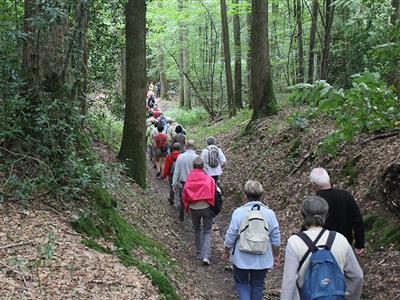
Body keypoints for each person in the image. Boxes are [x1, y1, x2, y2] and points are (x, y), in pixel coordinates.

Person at [281, 195, 363, 300]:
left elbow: (289, 281)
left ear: (303, 215)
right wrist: (350, 296)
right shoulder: (340, 239)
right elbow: (357, 275)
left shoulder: (294, 242)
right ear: (326, 215)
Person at [224, 180, 281, 300]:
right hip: (263, 256)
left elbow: (231, 234)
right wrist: (275, 255)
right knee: (258, 285)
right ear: (261, 194)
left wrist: (227, 250)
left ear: (245, 195)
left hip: (241, 256)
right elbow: (275, 237)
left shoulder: (239, 213)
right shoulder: (270, 214)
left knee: (241, 283)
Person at [309, 167, 365, 254]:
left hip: (323, 250)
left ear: (313, 185)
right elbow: (357, 221)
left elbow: (309, 227)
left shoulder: (314, 202)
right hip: (345, 247)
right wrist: (359, 244)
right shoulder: (346, 196)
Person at [182, 157, 216, 265]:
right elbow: (214, 192)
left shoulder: (189, 179)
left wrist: (187, 206)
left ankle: (199, 252)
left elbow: (185, 193)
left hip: (194, 208)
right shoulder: (208, 178)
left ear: (193, 166)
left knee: (197, 229)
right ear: (203, 166)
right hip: (206, 206)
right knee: (207, 231)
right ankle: (206, 256)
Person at [172, 140, 198, 221]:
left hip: (183, 183)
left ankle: (181, 216)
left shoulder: (181, 157)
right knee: (193, 200)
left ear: (185, 146)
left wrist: (174, 183)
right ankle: (193, 217)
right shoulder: (197, 157)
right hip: (194, 183)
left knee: (182, 200)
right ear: (194, 146)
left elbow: (177, 171)